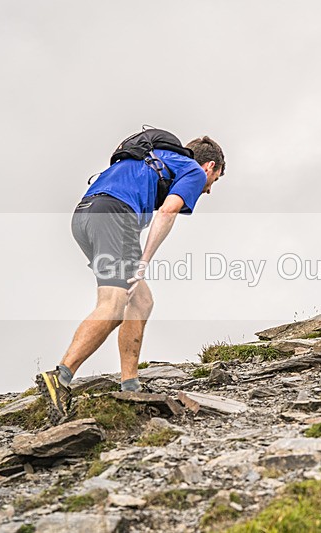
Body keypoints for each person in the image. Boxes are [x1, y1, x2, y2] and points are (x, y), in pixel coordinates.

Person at [36, 129, 225, 425]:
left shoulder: (153, 158)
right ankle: (60, 377)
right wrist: (144, 262)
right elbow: (167, 212)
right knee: (113, 305)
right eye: (216, 179)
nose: (209, 188)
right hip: (115, 215)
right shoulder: (193, 171)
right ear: (210, 166)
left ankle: (130, 384)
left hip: (84, 215)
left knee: (141, 300)